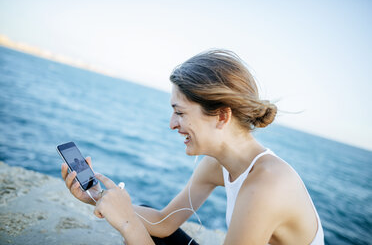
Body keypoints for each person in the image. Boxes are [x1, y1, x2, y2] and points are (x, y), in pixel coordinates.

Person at [61, 50, 324, 245]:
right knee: (145, 217)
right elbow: (164, 223)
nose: (172, 124)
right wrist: (96, 197)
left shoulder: (268, 184)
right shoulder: (216, 165)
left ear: (222, 116)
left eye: (180, 112)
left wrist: (128, 223)